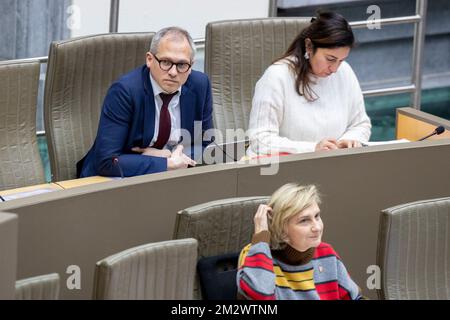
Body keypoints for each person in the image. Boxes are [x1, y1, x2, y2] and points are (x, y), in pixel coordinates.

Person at [77, 26, 213, 178]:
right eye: (166, 62)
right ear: (149, 59)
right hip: (115, 180)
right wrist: (166, 164)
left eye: (181, 65)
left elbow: (207, 143)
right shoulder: (125, 91)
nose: (173, 72)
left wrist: (168, 155)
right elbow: (107, 162)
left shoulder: (200, 85)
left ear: (191, 66)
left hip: (171, 177)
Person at [247, 11, 371, 156]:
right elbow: (260, 141)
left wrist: (350, 140)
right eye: (330, 59)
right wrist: (313, 149)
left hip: (332, 165)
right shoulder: (276, 77)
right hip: (285, 169)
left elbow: (361, 124)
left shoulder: (345, 72)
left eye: (341, 60)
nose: (335, 69)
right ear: (309, 46)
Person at [237, 183, 364, 300]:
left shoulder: (326, 252)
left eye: (317, 216)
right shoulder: (254, 254)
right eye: (304, 221)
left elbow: (355, 297)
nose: (317, 227)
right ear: (281, 230)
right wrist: (260, 237)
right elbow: (260, 295)